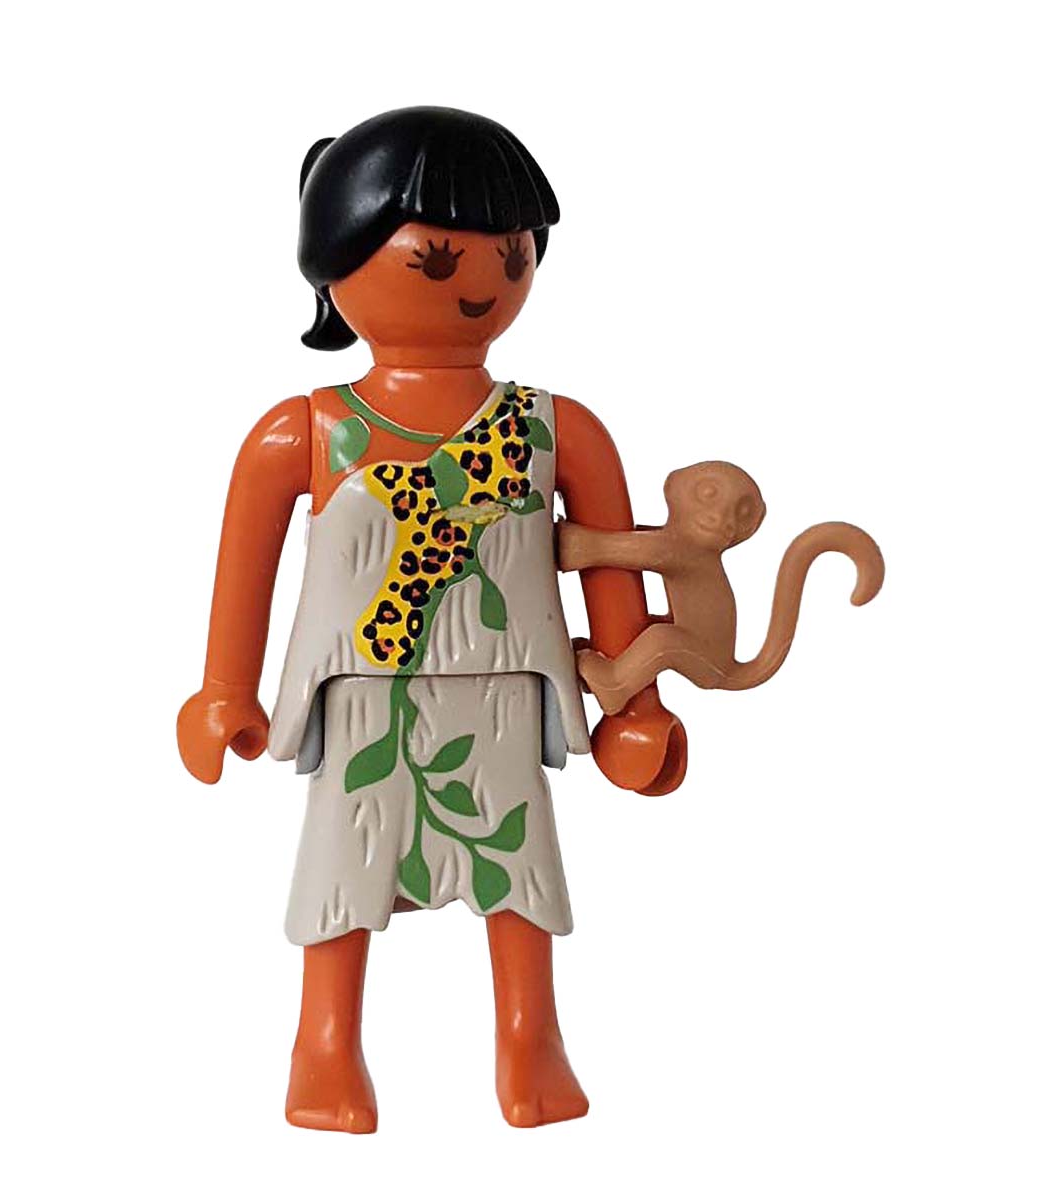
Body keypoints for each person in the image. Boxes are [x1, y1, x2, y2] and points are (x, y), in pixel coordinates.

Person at [177, 106, 687, 1133]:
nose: (484, 282)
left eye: (512, 254)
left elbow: (610, 568)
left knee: (516, 864)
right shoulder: (308, 429)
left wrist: (635, 706)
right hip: (361, 693)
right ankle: (324, 1042)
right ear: (339, 262)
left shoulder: (558, 430)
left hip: (504, 688)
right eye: (442, 258)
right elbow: (245, 567)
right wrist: (222, 689)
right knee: (344, 867)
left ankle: (530, 1034)